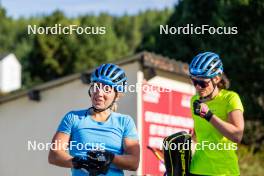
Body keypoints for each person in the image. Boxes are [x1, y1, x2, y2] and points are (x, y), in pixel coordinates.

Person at [48, 63, 140, 176]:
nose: (99, 93)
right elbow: (54, 155)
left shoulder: (125, 122)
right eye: (96, 87)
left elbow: (134, 163)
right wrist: (79, 163)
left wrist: (110, 158)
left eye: (106, 89)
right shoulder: (73, 118)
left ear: (117, 95)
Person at [188, 52, 244, 176]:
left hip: (224, 171)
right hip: (196, 170)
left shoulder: (230, 98)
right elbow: (197, 137)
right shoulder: (194, 101)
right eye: (194, 82)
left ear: (217, 78)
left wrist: (209, 116)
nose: (198, 87)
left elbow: (237, 136)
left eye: (203, 83)